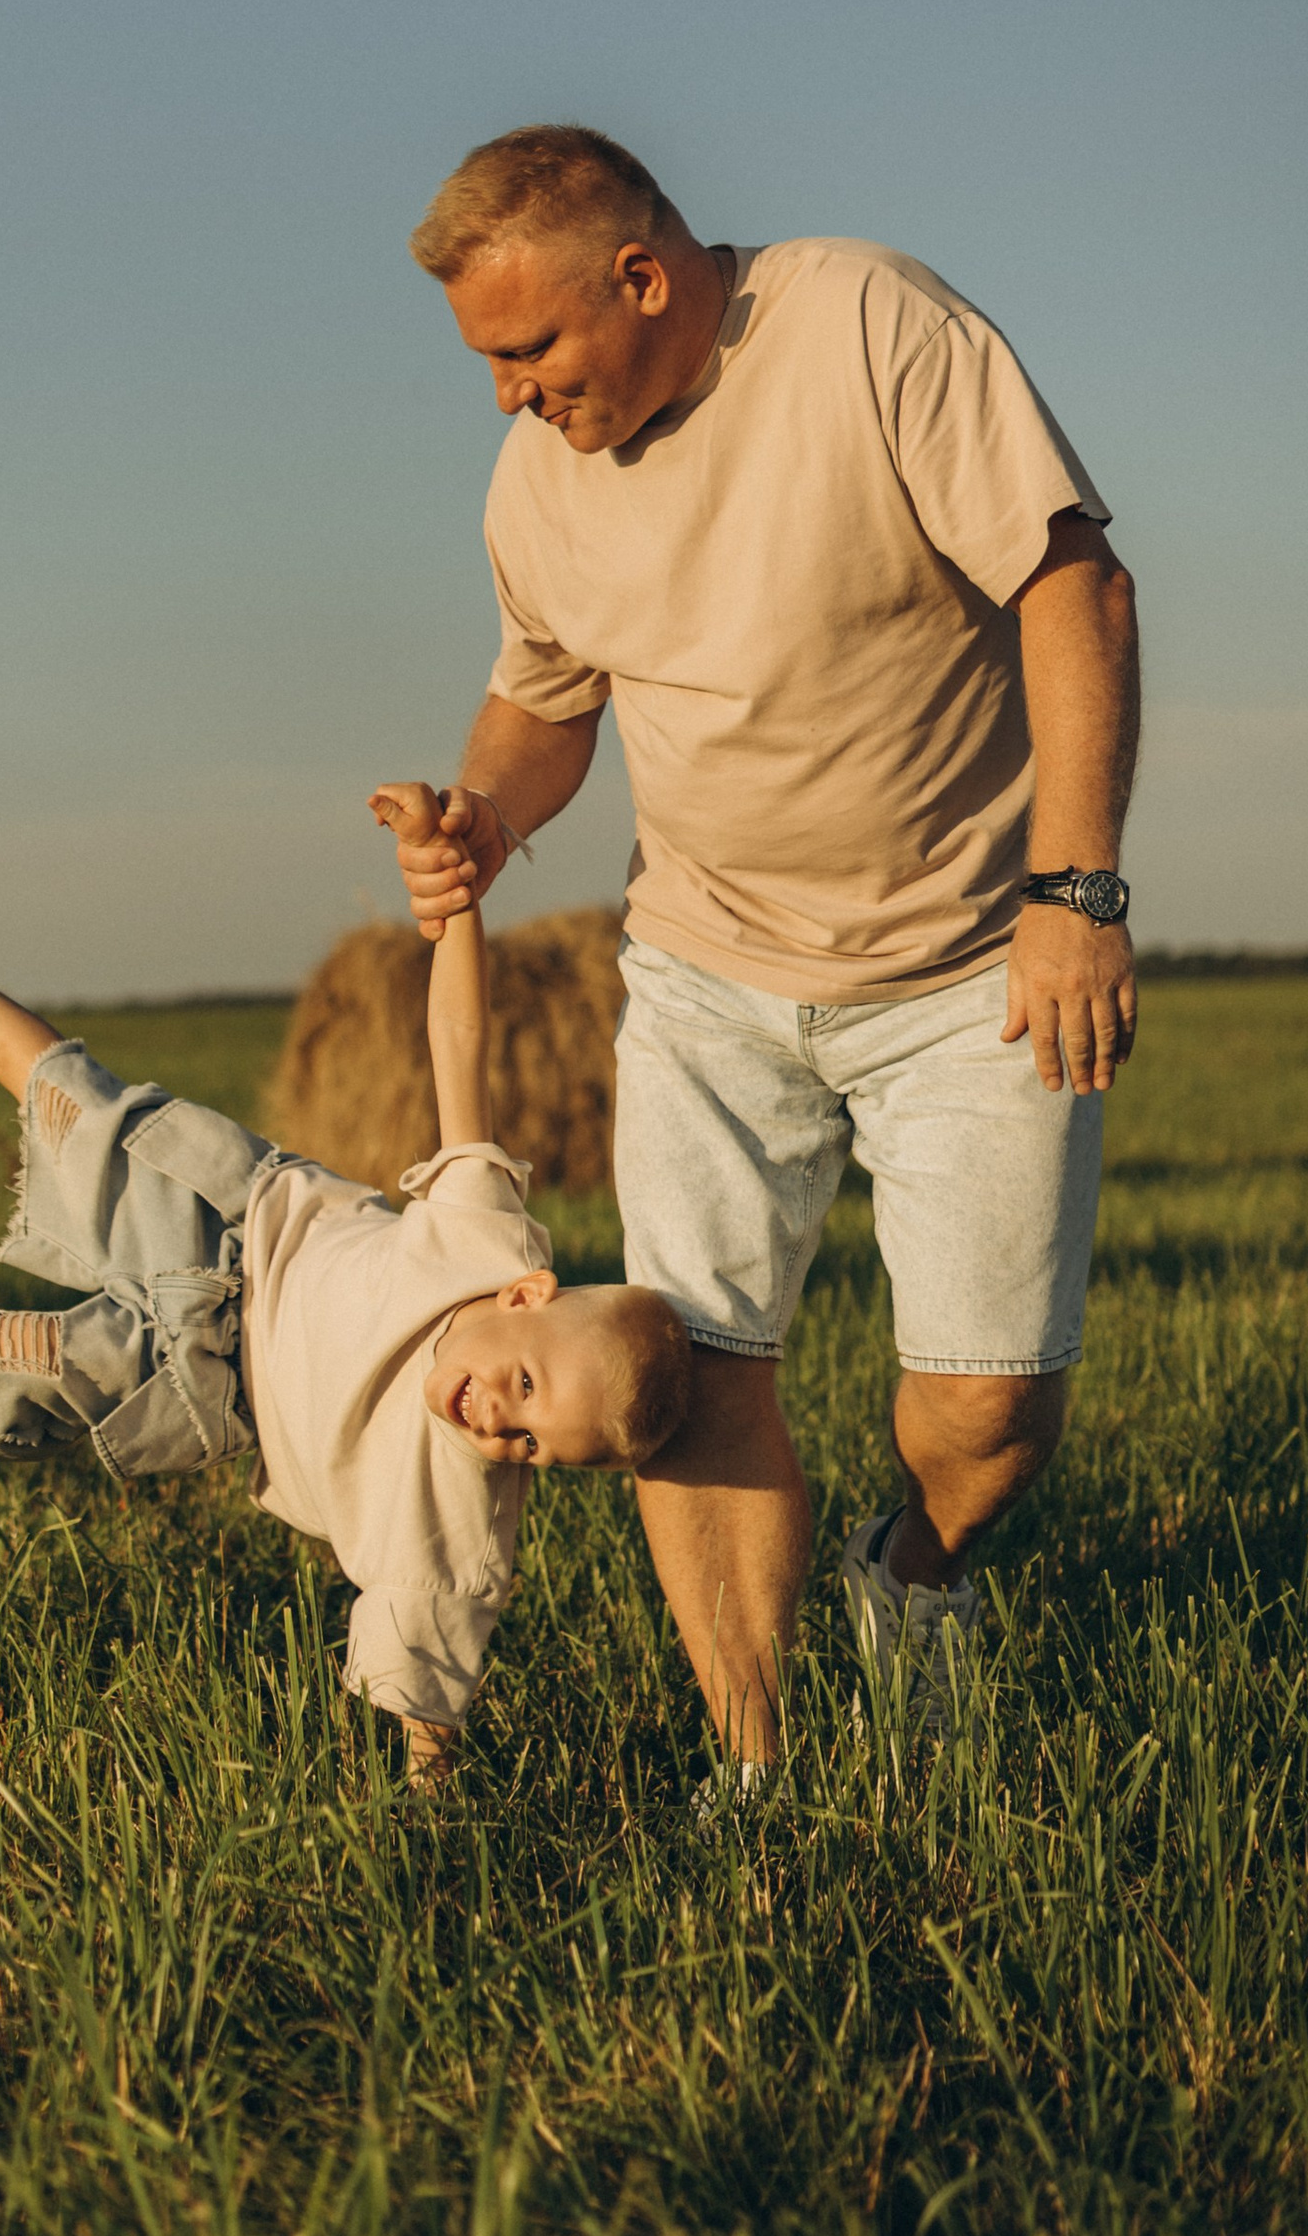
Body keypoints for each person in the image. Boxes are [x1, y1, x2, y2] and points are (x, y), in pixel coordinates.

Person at [381, 124, 1140, 1771]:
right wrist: (484, 819)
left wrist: (1076, 894)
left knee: (993, 1405)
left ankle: (916, 1570)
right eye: (489, 363)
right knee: (702, 1372)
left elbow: (1074, 588)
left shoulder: (870, 329)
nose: (509, 394)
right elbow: (543, 699)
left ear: (642, 279)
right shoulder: (536, 479)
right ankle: (757, 1763)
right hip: (706, 976)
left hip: (966, 972)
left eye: (528, 350)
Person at [0, 787, 693, 1775]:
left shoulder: (464, 1508)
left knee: (11, 1365)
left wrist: (428, 1792)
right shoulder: (480, 1242)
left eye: (528, 1447)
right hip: (233, 1223)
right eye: (521, 1390)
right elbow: (457, 1047)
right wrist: (457, 900)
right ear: (527, 1295)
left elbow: (434, 1657)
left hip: (201, 1380)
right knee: (73, 1098)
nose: (496, 1428)